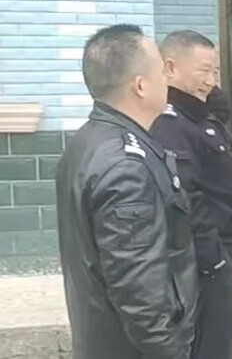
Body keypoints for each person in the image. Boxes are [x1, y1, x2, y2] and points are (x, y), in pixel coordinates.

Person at [55, 24, 198, 359]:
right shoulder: (126, 167)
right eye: (161, 71)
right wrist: (171, 352)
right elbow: (139, 290)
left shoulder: (89, 140)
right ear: (141, 85)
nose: (168, 80)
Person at [150, 30, 232, 359]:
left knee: (221, 343)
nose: (211, 81)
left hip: (227, 254)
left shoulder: (199, 115)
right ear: (170, 68)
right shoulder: (169, 123)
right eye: (203, 71)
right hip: (207, 264)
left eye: (215, 71)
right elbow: (187, 199)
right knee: (210, 347)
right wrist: (216, 259)